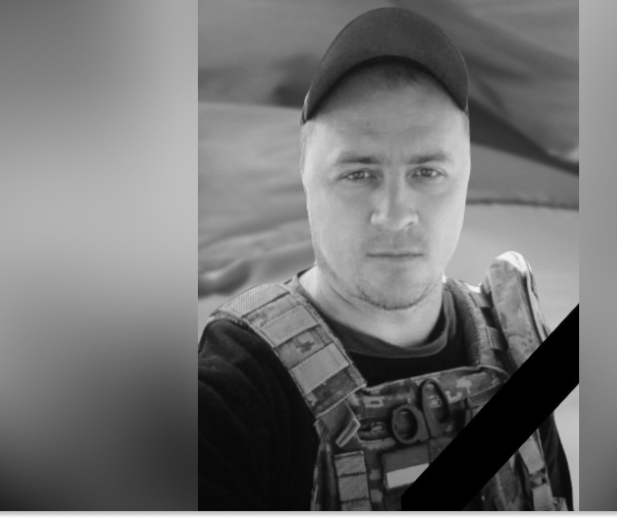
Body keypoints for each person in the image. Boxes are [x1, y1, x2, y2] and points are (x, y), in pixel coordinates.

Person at [199, 7, 573, 512]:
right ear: (304, 168)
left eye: (427, 172)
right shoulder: (236, 386)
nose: (395, 215)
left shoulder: (513, 348)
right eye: (359, 173)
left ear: (466, 172)